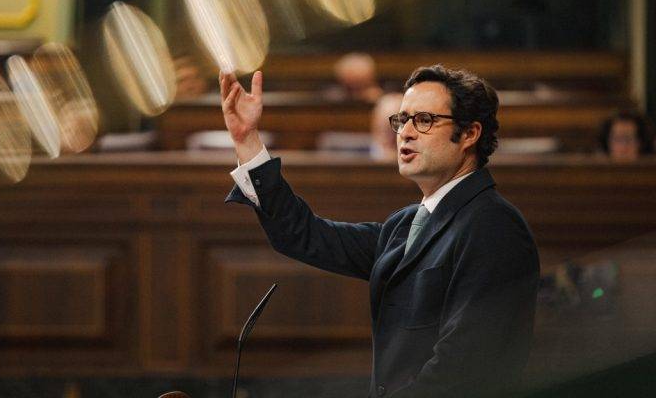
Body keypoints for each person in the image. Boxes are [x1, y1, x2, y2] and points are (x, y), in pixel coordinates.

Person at [220, 65, 539, 397]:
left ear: (470, 134)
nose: (406, 133)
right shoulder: (406, 224)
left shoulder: (494, 226)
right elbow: (304, 235)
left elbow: (463, 371)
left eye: (425, 120)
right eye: (402, 120)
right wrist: (248, 142)